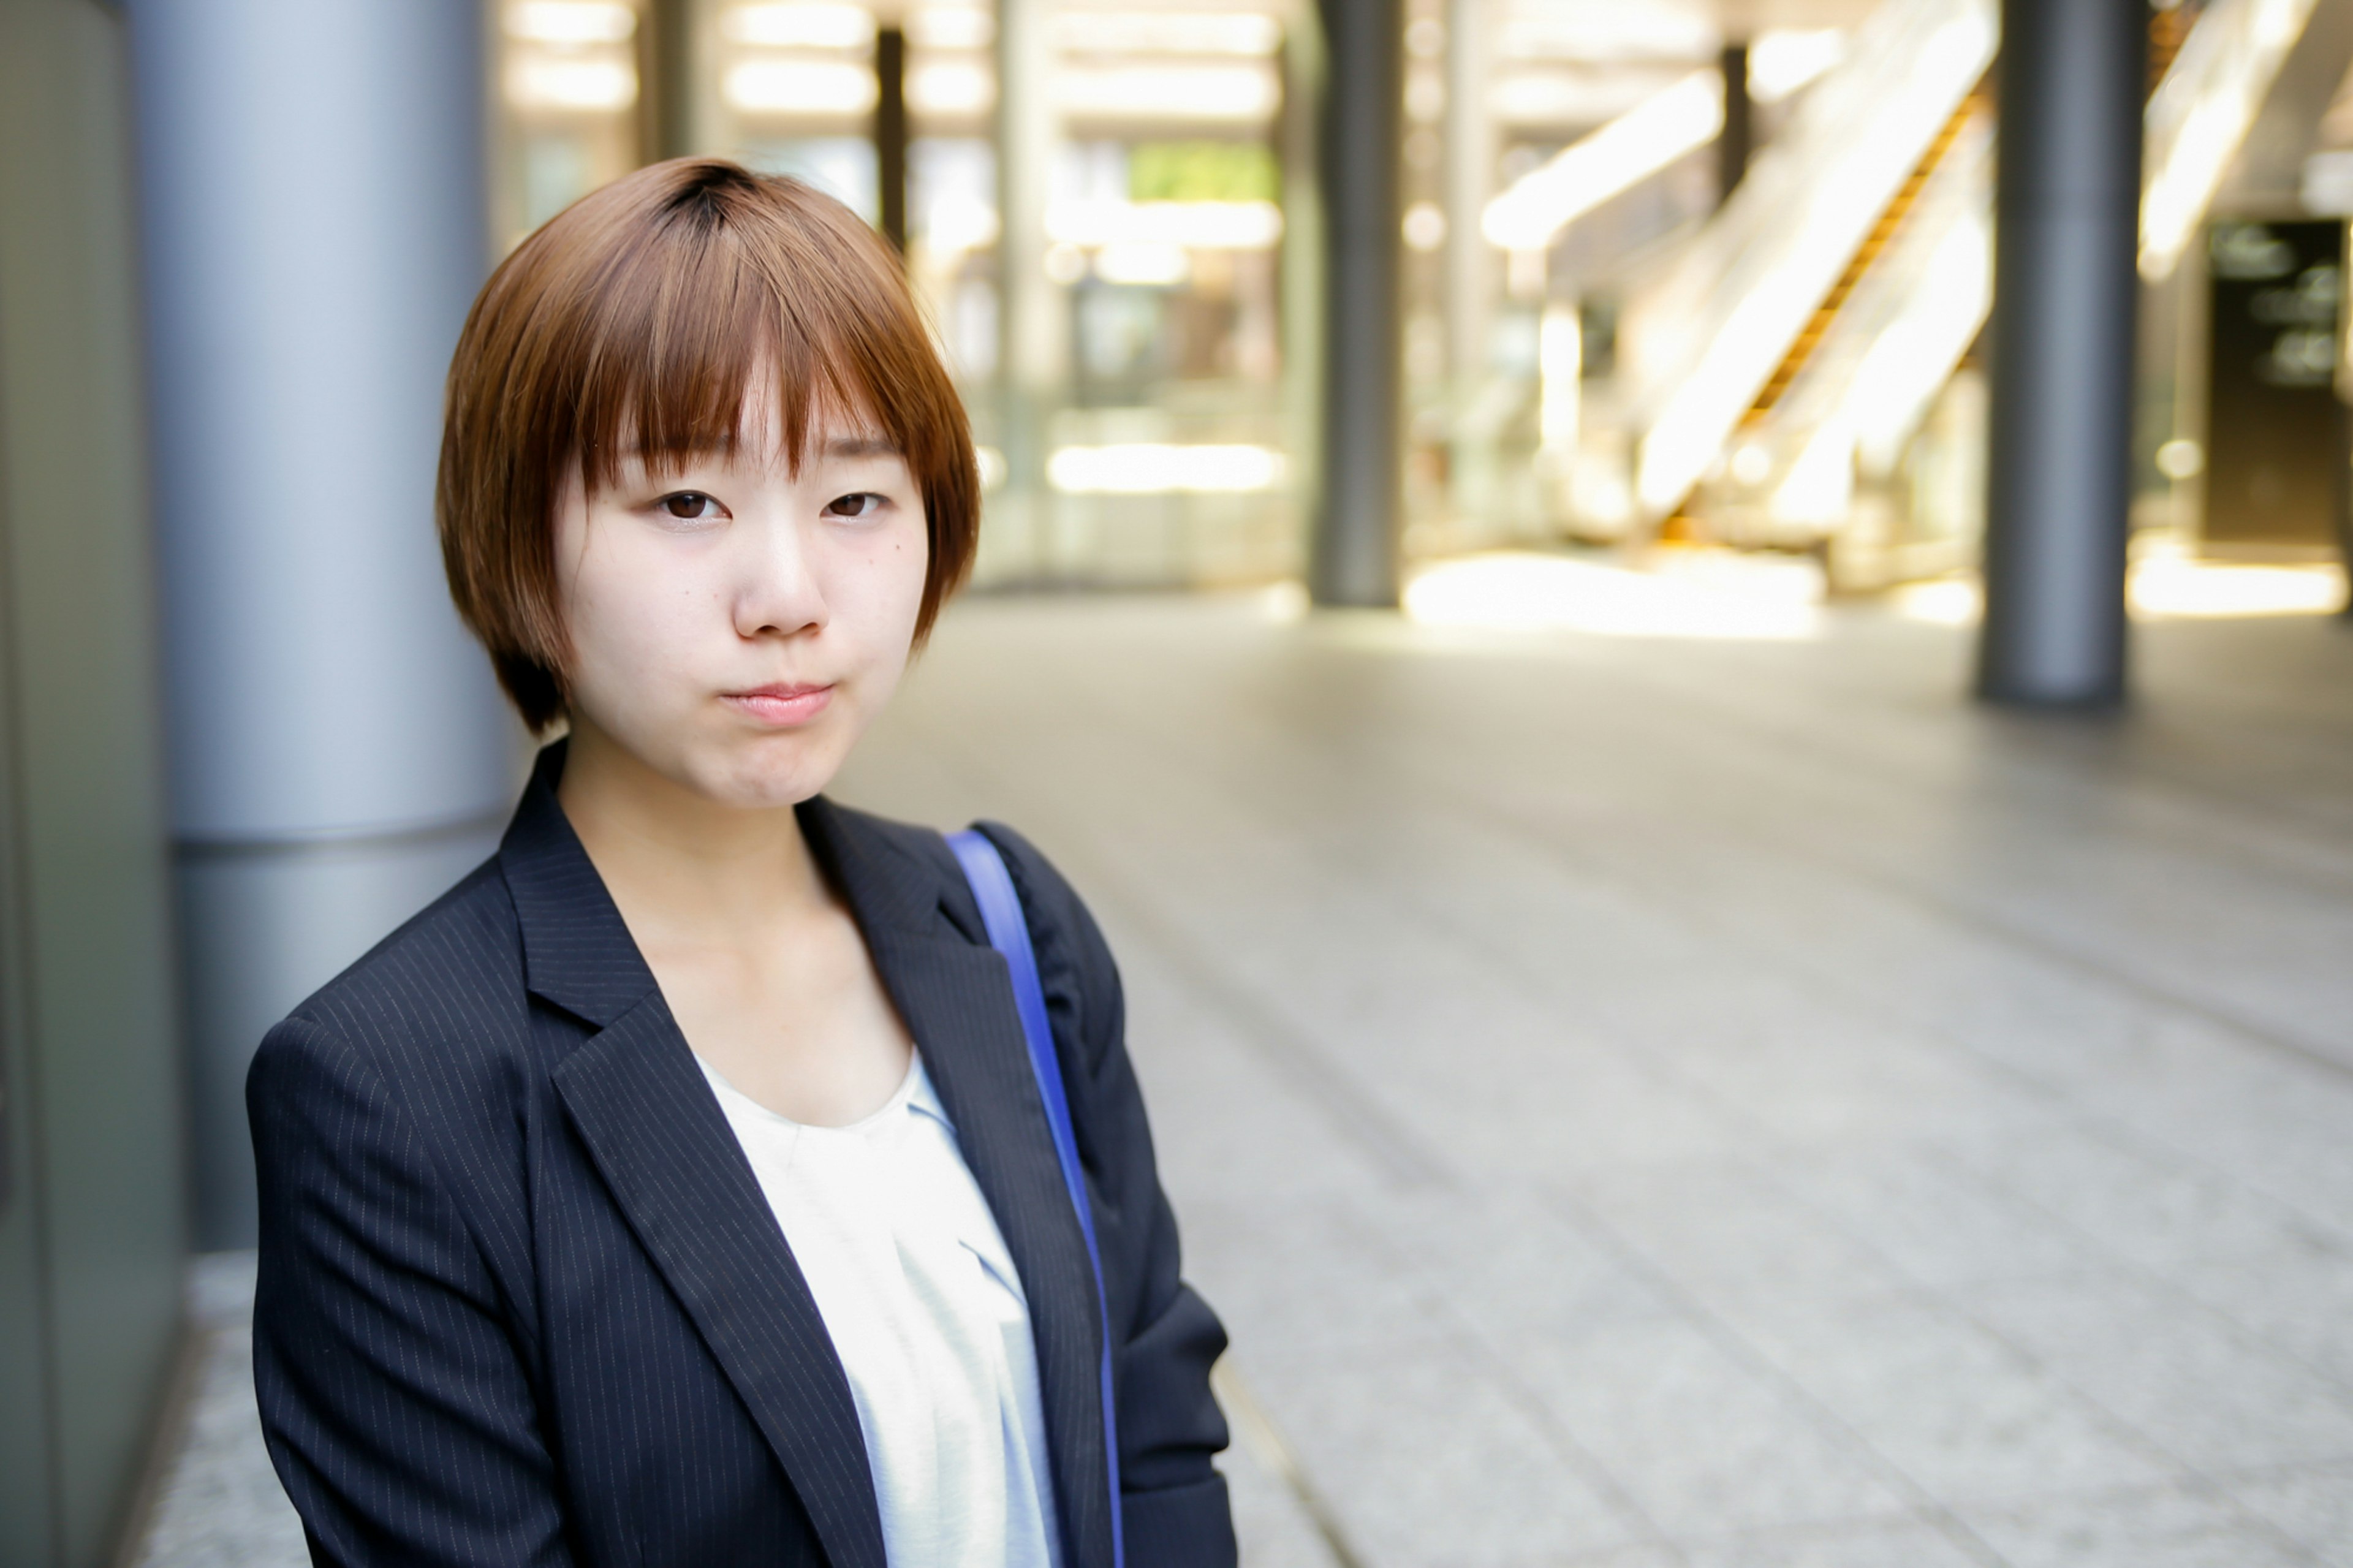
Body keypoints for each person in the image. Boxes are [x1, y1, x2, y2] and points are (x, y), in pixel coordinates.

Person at [247, 158, 1234, 1568]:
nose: (789, 600)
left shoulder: (1009, 928)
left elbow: (1150, 1430)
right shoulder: (387, 1091)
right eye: (688, 503)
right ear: (524, 547)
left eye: (854, 502)